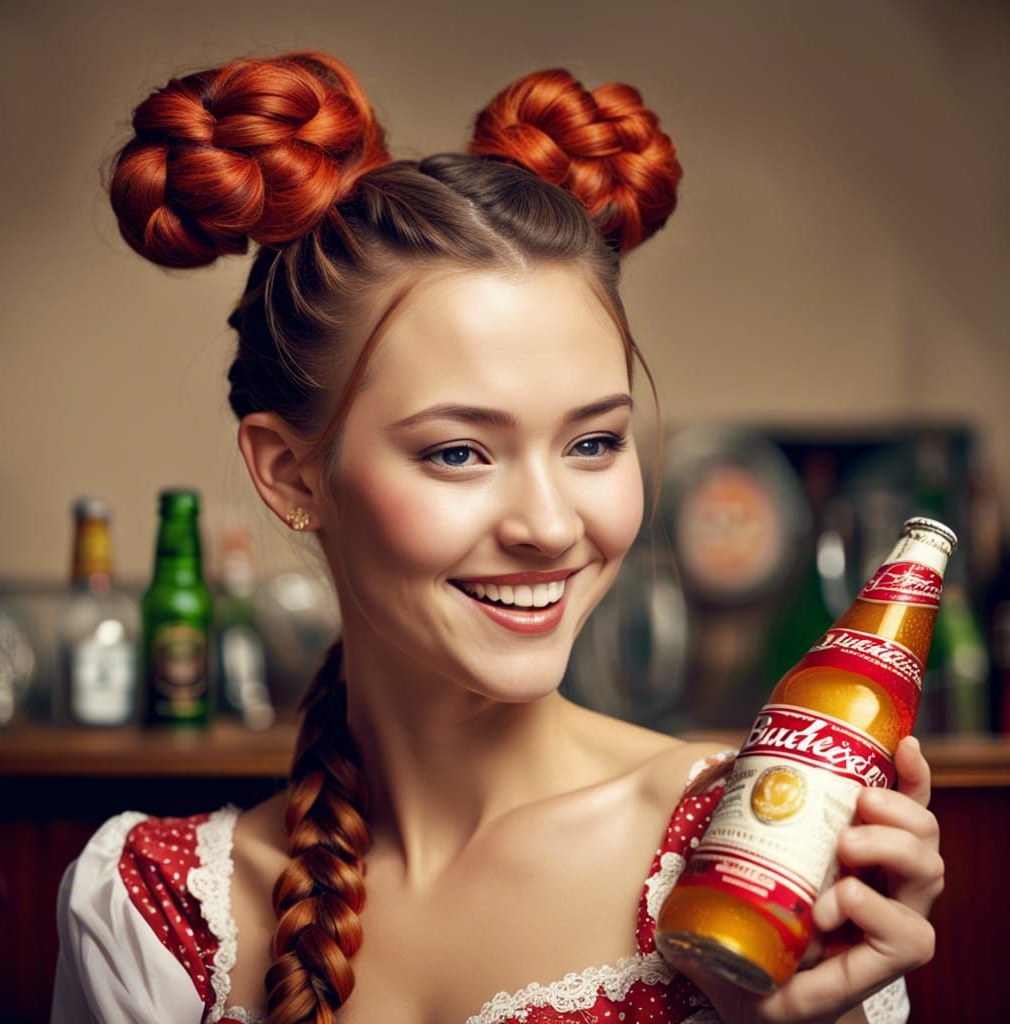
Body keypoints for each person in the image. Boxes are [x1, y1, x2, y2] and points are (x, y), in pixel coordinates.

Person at [50, 51, 942, 1024]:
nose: (551, 525)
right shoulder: (154, 907)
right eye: (460, 453)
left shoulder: (757, 857)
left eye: (593, 441)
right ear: (289, 474)